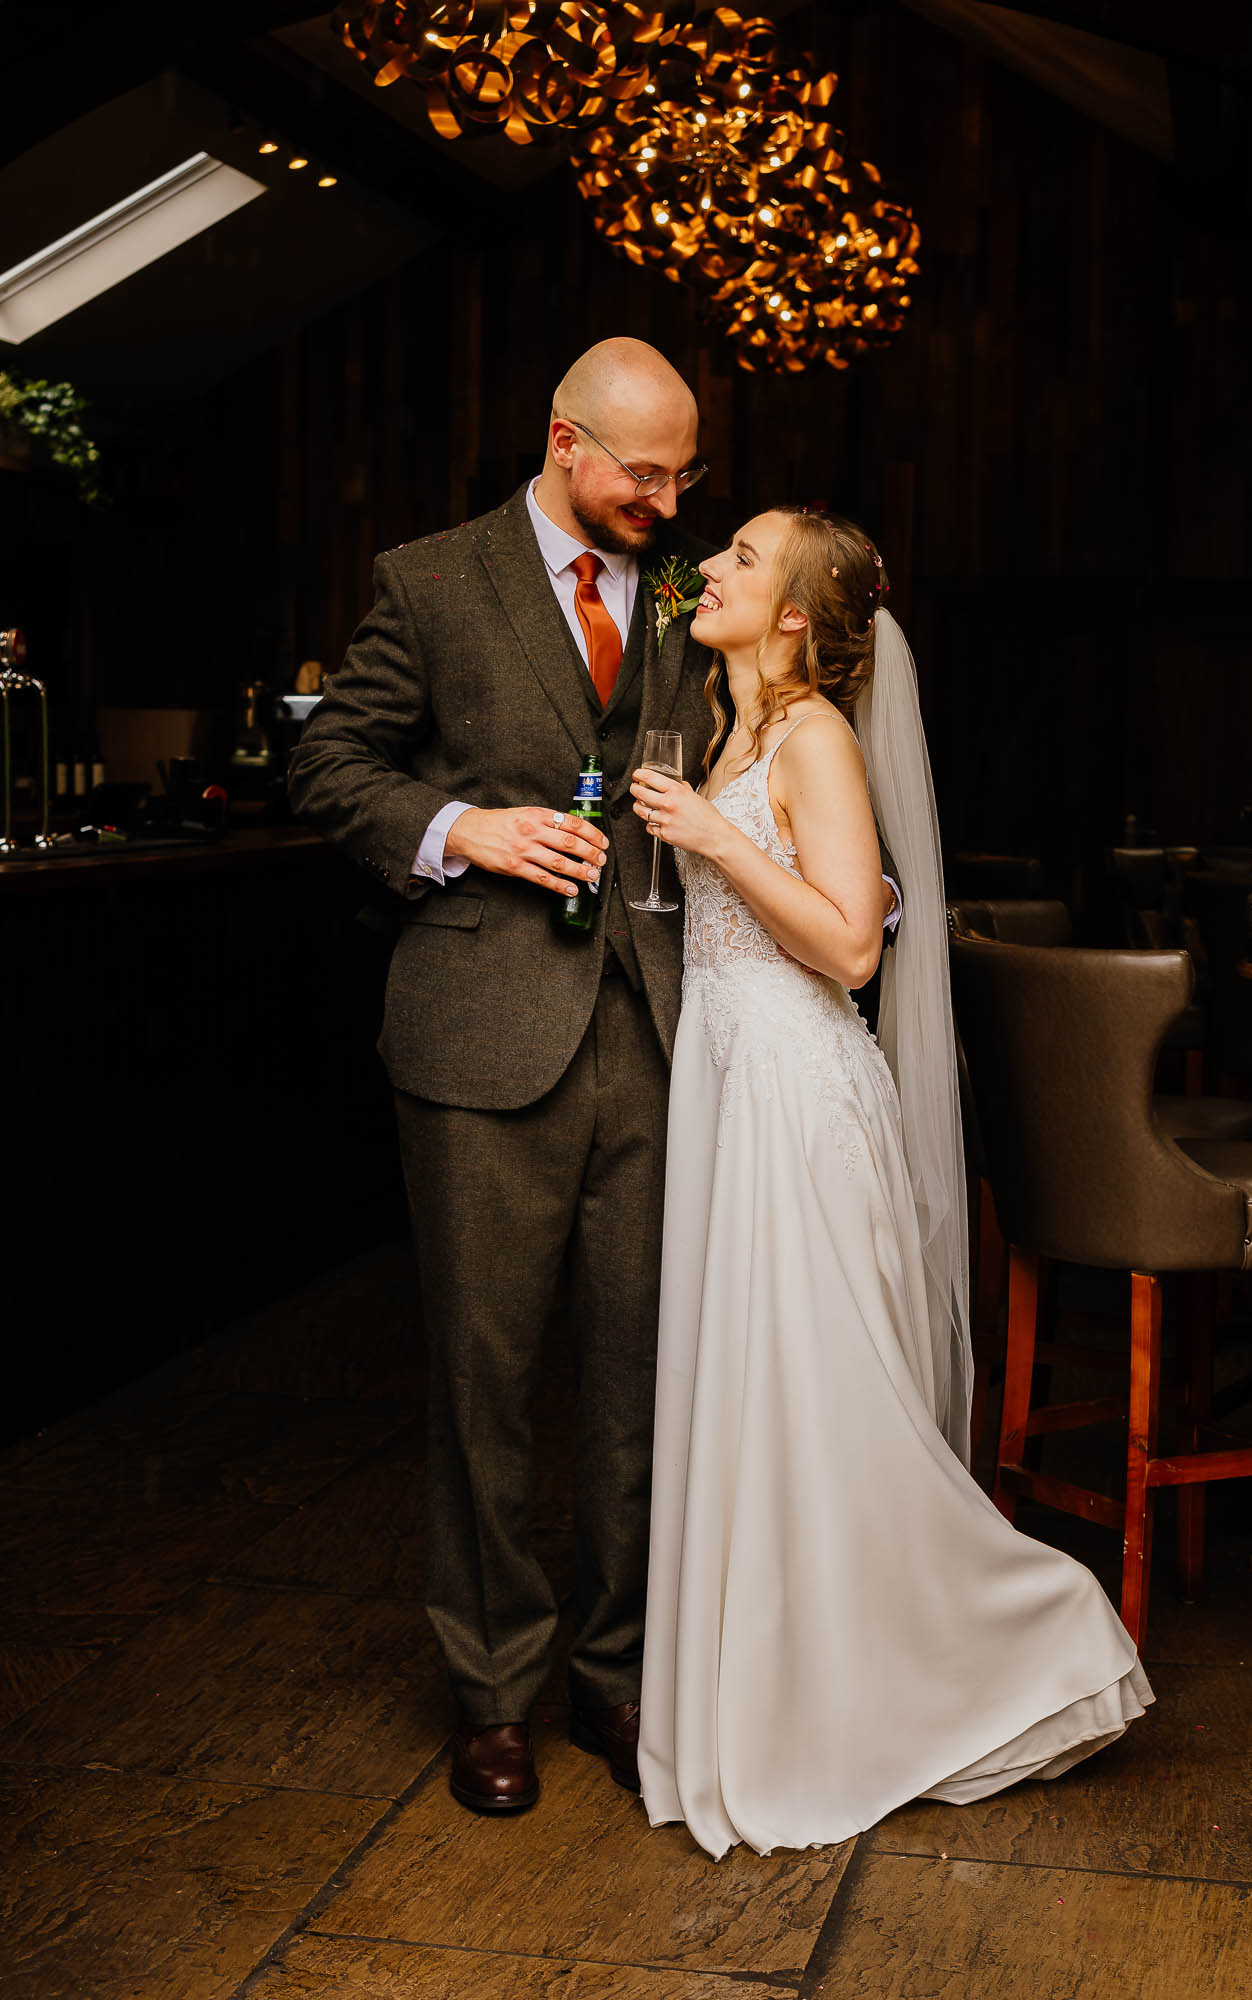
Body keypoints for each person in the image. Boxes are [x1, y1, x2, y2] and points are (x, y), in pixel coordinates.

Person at [629, 506, 1153, 1860]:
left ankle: (1040, 1639)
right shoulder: (727, 727)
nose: (714, 570)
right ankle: (784, 1702)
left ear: (797, 617)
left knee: (830, 1414)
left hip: (799, 1107)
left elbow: (856, 948)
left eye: (744, 559)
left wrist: (716, 840)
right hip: (731, 1097)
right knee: (757, 1412)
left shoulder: (814, 737)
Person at [288, 338, 718, 1816]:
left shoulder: (684, 595)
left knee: (637, 1384)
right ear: (565, 446)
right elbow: (333, 768)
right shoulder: (431, 581)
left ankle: (614, 1672)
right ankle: (491, 1688)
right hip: (481, 1041)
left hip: (660, 1037)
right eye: (644, 473)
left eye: (684, 473)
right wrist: (459, 830)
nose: (668, 499)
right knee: (484, 1386)